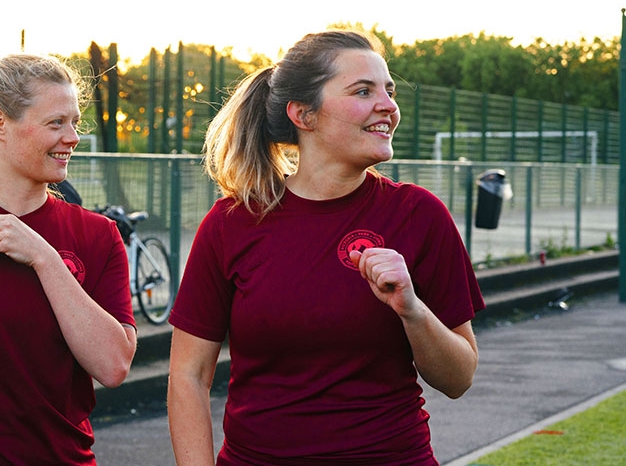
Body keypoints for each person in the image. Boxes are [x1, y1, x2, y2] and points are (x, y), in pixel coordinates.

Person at [167, 30, 485, 465]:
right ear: (304, 114)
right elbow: (189, 374)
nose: (388, 106)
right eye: (363, 91)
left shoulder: (419, 214)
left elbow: (459, 377)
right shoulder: (232, 224)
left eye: (389, 91)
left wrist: (412, 309)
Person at [0, 54, 137, 464]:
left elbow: (113, 367)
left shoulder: (96, 235)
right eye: (56, 123)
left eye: (75, 122)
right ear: (0, 124)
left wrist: (44, 257)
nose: (72, 136)